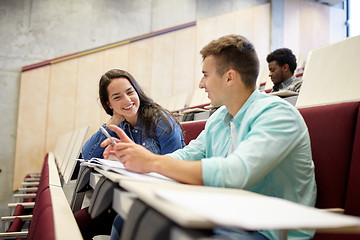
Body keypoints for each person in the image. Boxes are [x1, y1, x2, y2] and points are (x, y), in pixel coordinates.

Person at [102, 35, 317, 240]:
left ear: (229, 77)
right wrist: (136, 158)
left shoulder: (277, 114)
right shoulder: (220, 118)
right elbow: (188, 155)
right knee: (128, 217)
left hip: (269, 230)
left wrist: (152, 162)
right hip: (227, 216)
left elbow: (237, 172)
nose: (201, 84)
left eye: (205, 74)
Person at [77, 69, 185, 240]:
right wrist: (111, 123)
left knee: (122, 220)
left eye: (130, 92)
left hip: (162, 198)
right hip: (136, 194)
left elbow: (175, 166)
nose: (127, 100)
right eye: (117, 97)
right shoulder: (122, 126)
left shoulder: (161, 120)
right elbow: (88, 155)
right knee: (81, 222)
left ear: (137, 92)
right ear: (109, 104)